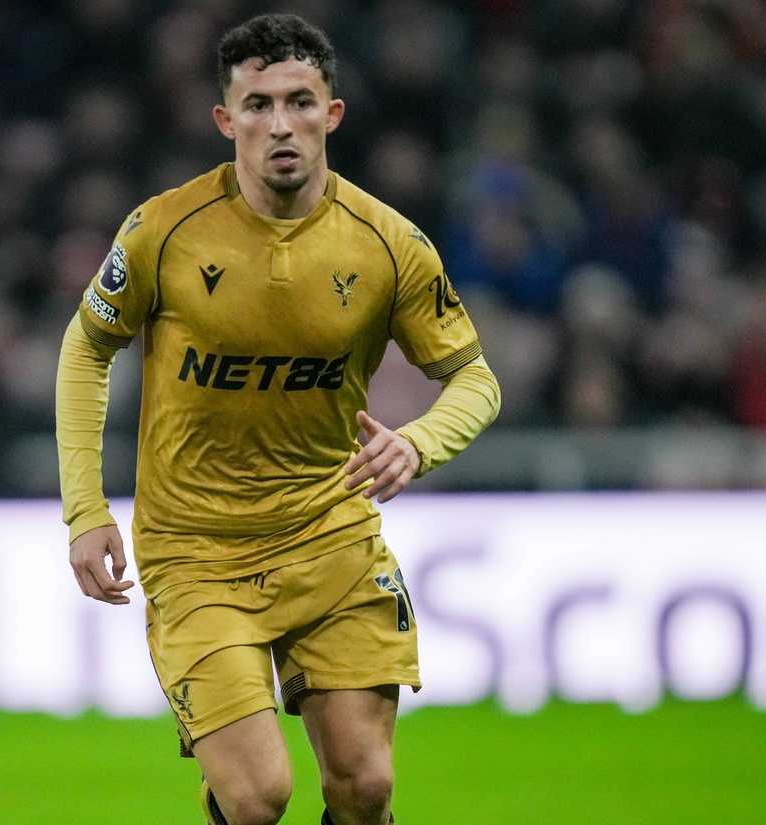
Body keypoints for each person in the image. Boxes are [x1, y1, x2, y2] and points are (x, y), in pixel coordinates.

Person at [55, 14, 501, 825]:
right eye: (257, 105)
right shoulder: (164, 230)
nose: (280, 123)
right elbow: (87, 349)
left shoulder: (388, 244)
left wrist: (420, 442)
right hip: (196, 550)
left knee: (365, 787)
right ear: (226, 122)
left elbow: (473, 377)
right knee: (259, 796)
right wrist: (86, 511)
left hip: (329, 534)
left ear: (333, 114)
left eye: (300, 101)